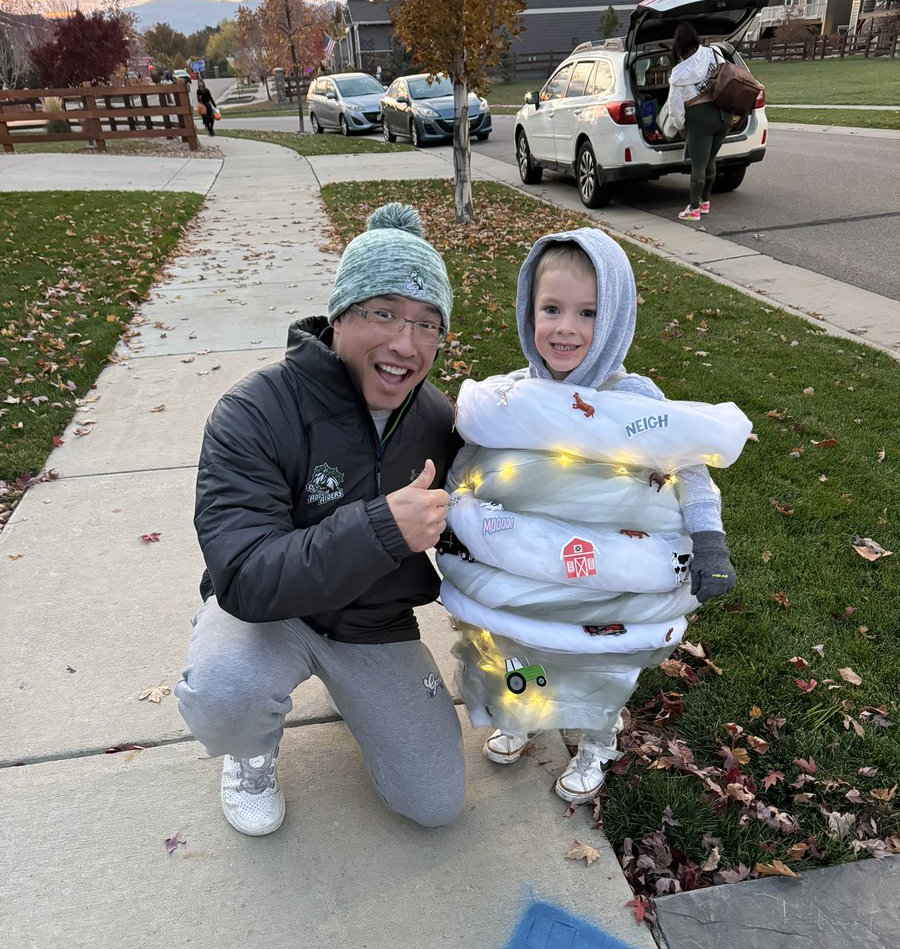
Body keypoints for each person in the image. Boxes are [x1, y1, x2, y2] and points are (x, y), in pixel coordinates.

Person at [175, 203, 465, 836]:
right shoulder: (255, 411)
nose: (404, 344)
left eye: (427, 324)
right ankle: (248, 753)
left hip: (373, 623)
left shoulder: (438, 422)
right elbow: (246, 577)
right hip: (271, 614)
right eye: (383, 313)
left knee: (436, 803)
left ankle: (349, 688)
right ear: (339, 316)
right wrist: (382, 528)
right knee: (226, 692)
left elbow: (483, 531)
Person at [438, 229, 750, 804]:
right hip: (532, 572)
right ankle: (524, 716)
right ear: (527, 310)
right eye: (550, 309)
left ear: (614, 319)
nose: (565, 328)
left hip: (610, 580)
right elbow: (472, 461)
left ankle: (595, 741)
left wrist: (709, 540)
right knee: (523, 647)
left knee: (596, 663)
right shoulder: (519, 399)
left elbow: (692, 469)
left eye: (587, 313)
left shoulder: (633, 400)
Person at [666, 21, 733, 223]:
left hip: (700, 119)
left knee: (698, 164)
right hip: (724, 114)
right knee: (710, 159)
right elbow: (727, 73)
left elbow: (675, 107)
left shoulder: (679, 73)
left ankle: (694, 208)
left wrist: (681, 127)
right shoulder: (713, 53)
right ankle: (705, 201)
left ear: (678, 44)